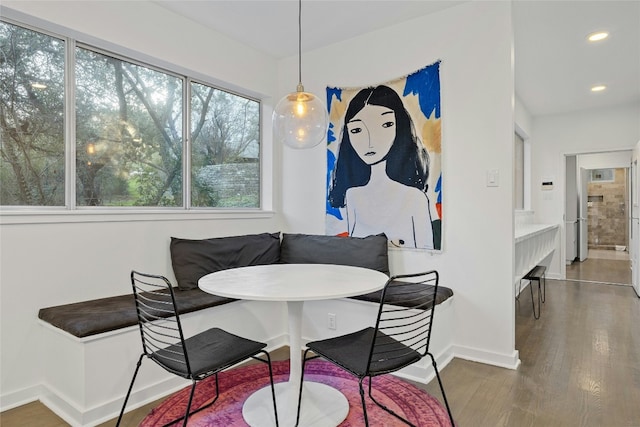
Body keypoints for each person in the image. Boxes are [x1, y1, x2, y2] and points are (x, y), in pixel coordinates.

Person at [328, 85, 435, 249]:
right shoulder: (352, 196)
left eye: (386, 125)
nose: (370, 141)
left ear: (399, 127)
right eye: (357, 130)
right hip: (364, 271)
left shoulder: (414, 199)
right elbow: (354, 248)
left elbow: (427, 252)